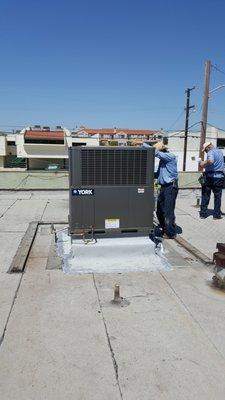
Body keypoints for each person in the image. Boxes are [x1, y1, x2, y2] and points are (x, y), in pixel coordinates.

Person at [143, 141, 178, 239]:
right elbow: (158, 174)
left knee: (168, 211)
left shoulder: (170, 156)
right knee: (159, 210)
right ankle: (165, 228)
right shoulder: (163, 161)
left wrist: (142, 143)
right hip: (164, 187)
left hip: (170, 187)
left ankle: (171, 233)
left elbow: (155, 152)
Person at [199, 142, 224, 219]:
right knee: (217, 197)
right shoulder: (220, 151)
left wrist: (202, 163)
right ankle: (216, 215)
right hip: (219, 177)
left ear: (208, 147)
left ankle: (203, 214)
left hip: (209, 177)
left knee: (205, 195)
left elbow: (210, 161)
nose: (206, 152)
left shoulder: (211, 151)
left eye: (205, 150)